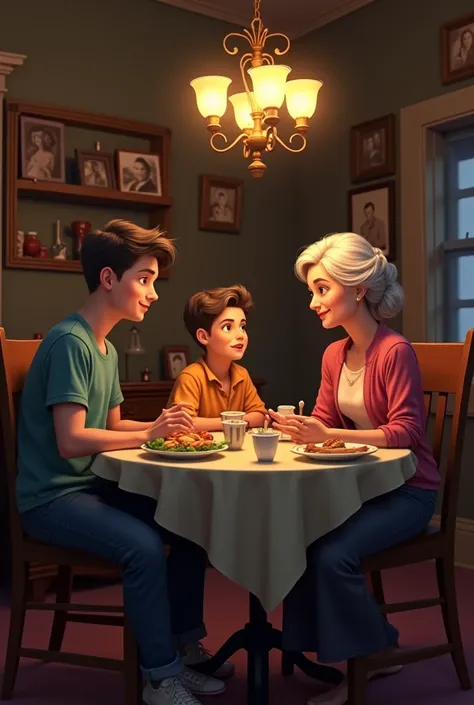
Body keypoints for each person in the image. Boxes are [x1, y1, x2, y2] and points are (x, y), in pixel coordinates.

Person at [17, 219, 232, 705]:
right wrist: (153, 433)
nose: (153, 293)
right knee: (142, 546)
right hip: (52, 497)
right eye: (145, 278)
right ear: (110, 279)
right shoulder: (70, 342)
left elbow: (112, 427)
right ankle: (160, 677)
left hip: (84, 488)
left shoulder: (106, 347)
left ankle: (182, 647)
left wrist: (161, 423)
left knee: (189, 524)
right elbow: (72, 441)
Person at [269, 232, 439, 705]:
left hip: (409, 491)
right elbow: (324, 420)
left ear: (358, 289)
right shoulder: (334, 354)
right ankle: (349, 645)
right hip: (366, 487)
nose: (313, 302)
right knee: (301, 538)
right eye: (312, 292)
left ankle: (371, 656)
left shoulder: (395, 352)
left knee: (333, 555)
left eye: (322, 289)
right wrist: (299, 426)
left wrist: (330, 436)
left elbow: (406, 433)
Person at [167, 285, 266, 432]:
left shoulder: (242, 375)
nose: (240, 335)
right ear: (204, 336)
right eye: (228, 327)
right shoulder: (191, 377)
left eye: (242, 327)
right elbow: (182, 424)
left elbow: (260, 416)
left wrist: (226, 422)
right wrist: (235, 422)